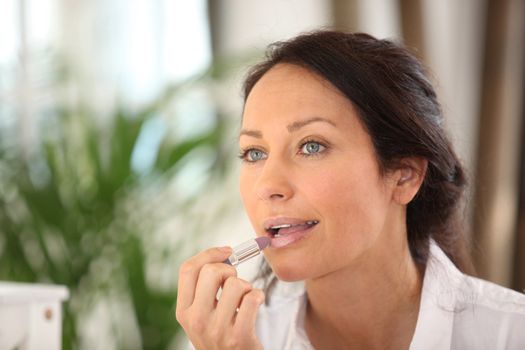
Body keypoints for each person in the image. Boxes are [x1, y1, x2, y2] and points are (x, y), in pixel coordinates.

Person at [175, 30, 525, 349]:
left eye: (311, 146)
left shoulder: (510, 335)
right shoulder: (234, 340)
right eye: (255, 153)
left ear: (404, 175)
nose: (268, 186)